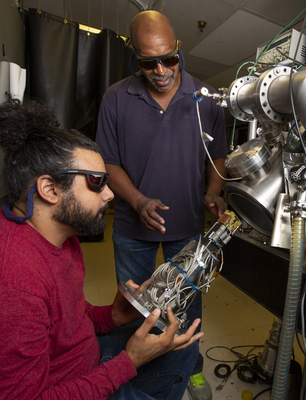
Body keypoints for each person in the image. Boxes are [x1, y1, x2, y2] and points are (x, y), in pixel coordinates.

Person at [0, 97, 203, 400]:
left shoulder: (60, 237)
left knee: (183, 344)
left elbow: (65, 323)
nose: (109, 195)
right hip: (59, 388)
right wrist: (129, 362)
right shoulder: (4, 287)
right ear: (49, 189)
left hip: (80, 361)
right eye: (97, 182)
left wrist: (114, 316)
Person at [95, 10, 227, 400]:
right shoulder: (117, 98)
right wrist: (136, 201)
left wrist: (213, 191)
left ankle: (190, 370)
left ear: (179, 48)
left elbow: (217, 156)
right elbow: (107, 161)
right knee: (133, 308)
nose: (161, 70)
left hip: (186, 225)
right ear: (134, 57)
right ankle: (128, 376)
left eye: (169, 58)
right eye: (148, 62)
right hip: (132, 230)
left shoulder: (206, 99)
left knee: (186, 306)